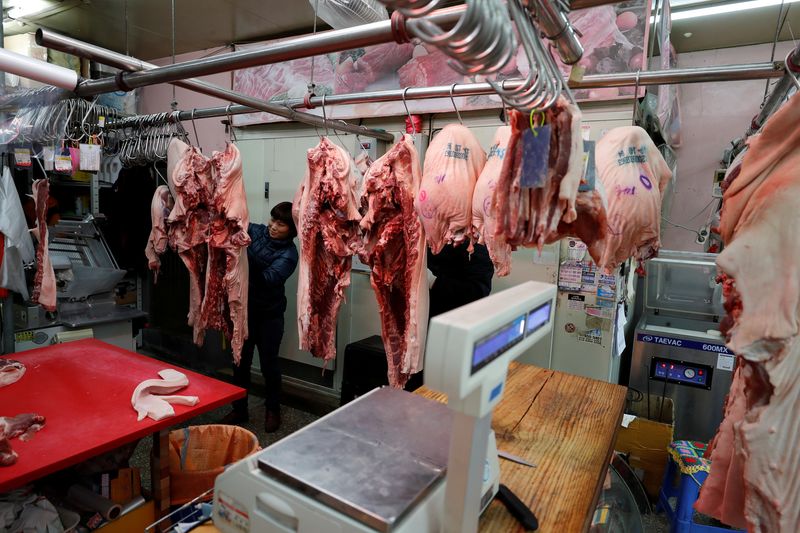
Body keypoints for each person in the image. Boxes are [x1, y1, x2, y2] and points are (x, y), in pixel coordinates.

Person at [222, 201, 299, 432]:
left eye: (281, 224)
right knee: (240, 362)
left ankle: (272, 410)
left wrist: (243, 258)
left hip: (269, 315)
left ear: (292, 229)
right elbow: (234, 227)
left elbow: (268, 279)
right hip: (244, 311)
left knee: (269, 365)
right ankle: (240, 408)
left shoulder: (289, 254)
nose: (273, 227)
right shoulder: (255, 230)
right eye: (273, 220)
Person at [427, 241, 494, 318]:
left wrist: (434, 281)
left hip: (448, 318)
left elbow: (477, 292)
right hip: (417, 309)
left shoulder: (477, 245)